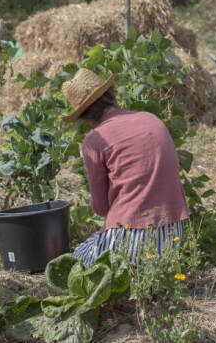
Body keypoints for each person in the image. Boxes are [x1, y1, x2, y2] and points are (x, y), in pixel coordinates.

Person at [61, 68, 190, 267]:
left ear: (84, 117)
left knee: (76, 262)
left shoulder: (95, 139)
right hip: (173, 234)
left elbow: (101, 207)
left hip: (131, 234)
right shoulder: (151, 118)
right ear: (111, 96)